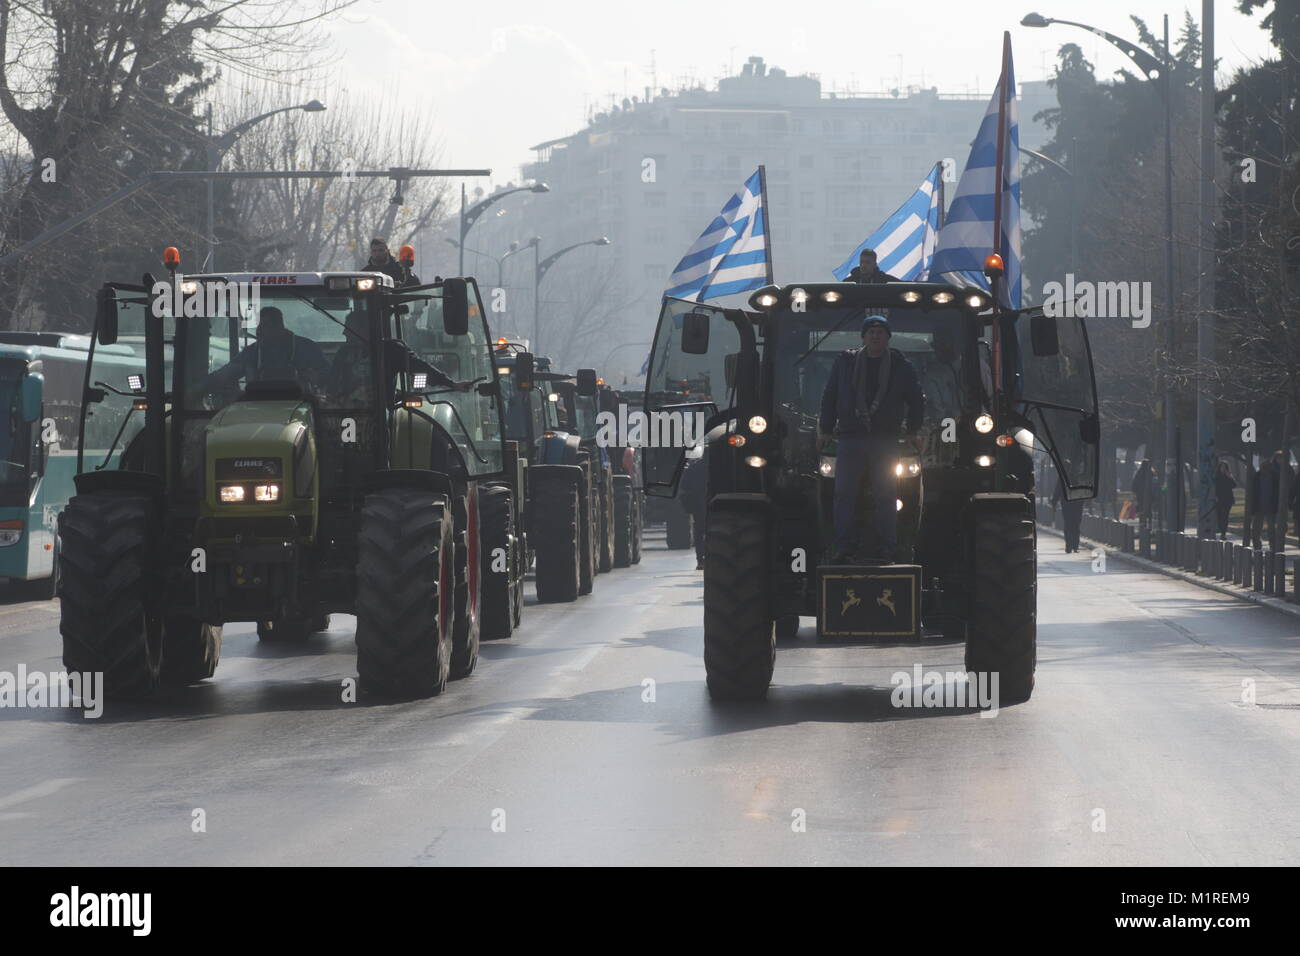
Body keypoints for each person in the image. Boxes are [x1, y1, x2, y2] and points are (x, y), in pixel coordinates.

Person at [818, 314, 924, 563]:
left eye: (880, 332)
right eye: (871, 332)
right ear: (864, 337)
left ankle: (887, 548)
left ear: (888, 337)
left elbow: (916, 399)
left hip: (885, 439)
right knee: (844, 494)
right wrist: (824, 429)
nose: (875, 336)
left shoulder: (900, 365)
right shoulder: (845, 362)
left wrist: (914, 431)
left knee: (886, 495)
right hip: (850, 437)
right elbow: (830, 396)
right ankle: (842, 547)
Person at [329, 310, 473, 405]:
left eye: (348, 329)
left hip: (380, 417)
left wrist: (452, 384)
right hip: (343, 414)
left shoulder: (390, 350)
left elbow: (420, 367)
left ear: (364, 329)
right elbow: (331, 384)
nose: (344, 333)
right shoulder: (344, 354)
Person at [200, 306, 329, 395]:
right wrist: (198, 389)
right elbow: (224, 375)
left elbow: (328, 375)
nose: (259, 330)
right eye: (258, 326)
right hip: (256, 410)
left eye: (265, 325)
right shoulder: (252, 352)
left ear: (280, 327)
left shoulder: (306, 348)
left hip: (301, 407)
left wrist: (314, 377)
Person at [1052, 469, 1083, 553]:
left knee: (1069, 525)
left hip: (1068, 505)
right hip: (1076, 505)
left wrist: (1054, 502)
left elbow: (1057, 491)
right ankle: (1074, 546)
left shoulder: (1063, 478)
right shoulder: (1078, 476)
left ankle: (1070, 546)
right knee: (1075, 525)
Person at [1214, 460, 1236, 540]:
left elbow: (1234, 485)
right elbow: (1214, 487)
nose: (1223, 468)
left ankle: (1223, 534)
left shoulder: (1229, 475)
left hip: (1228, 498)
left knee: (1225, 516)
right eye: (1221, 467)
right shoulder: (1216, 476)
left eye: (1225, 467)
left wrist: (1230, 477)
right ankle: (1220, 528)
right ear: (1219, 467)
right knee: (1219, 515)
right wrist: (1215, 496)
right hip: (1219, 498)